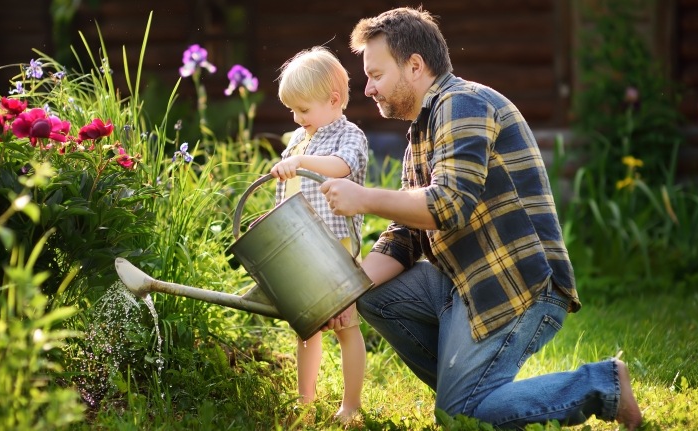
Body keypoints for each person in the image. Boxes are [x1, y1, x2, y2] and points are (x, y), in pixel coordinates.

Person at [319, 7, 643, 430]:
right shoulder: (421, 132)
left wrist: (363, 199)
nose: (368, 88)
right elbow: (407, 237)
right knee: (373, 294)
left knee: (459, 416)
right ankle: (477, 389)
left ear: (414, 66)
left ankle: (602, 384)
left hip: (514, 284)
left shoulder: (464, 103)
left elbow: (449, 204)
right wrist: (342, 291)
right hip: (462, 282)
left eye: (376, 75)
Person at [269, 46, 369, 422]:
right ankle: (305, 399)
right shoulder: (299, 139)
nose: (297, 118)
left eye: (304, 110)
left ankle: (351, 405)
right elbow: (290, 192)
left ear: (333, 100)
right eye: (292, 111)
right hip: (300, 249)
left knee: (346, 327)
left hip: (336, 250)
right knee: (306, 328)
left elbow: (342, 168)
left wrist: (299, 162)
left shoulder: (350, 136)